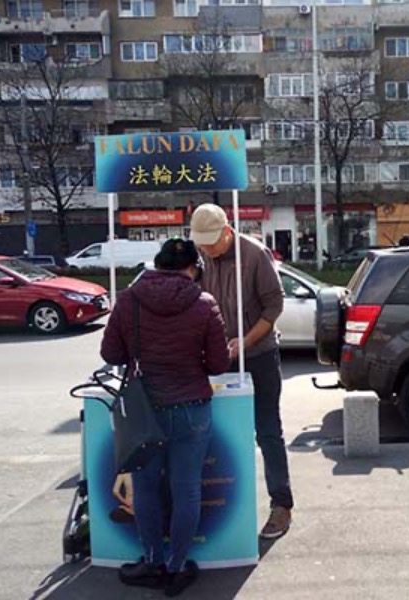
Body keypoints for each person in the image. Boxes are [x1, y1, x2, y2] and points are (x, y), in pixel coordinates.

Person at [100, 238, 231, 597]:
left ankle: (153, 560)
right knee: (186, 489)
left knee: (144, 489)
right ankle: (176, 568)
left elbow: (110, 352)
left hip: (146, 412)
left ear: (157, 264)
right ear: (194, 269)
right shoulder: (205, 304)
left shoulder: (128, 299)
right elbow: (219, 364)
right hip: (192, 410)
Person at [190, 203, 294, 540]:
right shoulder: (199, 256)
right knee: (214, 433)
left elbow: (274, 305)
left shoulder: (254, 254)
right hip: (216, 358)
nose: (206, 250)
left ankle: (281, 505)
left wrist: (245, 342)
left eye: (211, 242)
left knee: (267, 431)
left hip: (259, 355)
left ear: (227, 231)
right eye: (201, 244)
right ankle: (221, 506)